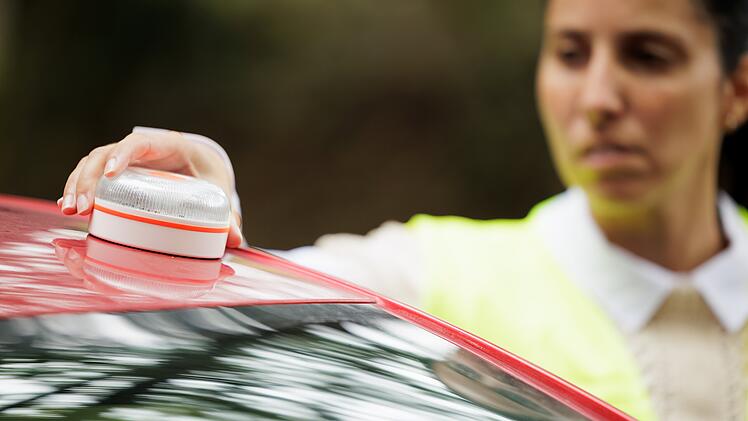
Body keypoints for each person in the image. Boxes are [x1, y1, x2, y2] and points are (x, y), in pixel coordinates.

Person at [58, 0, 748, 419]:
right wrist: (202, 208)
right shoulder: (439, 276)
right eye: (570, 53)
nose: (598, 95)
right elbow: (220, 318)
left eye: (648, 56)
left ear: (735, 90)